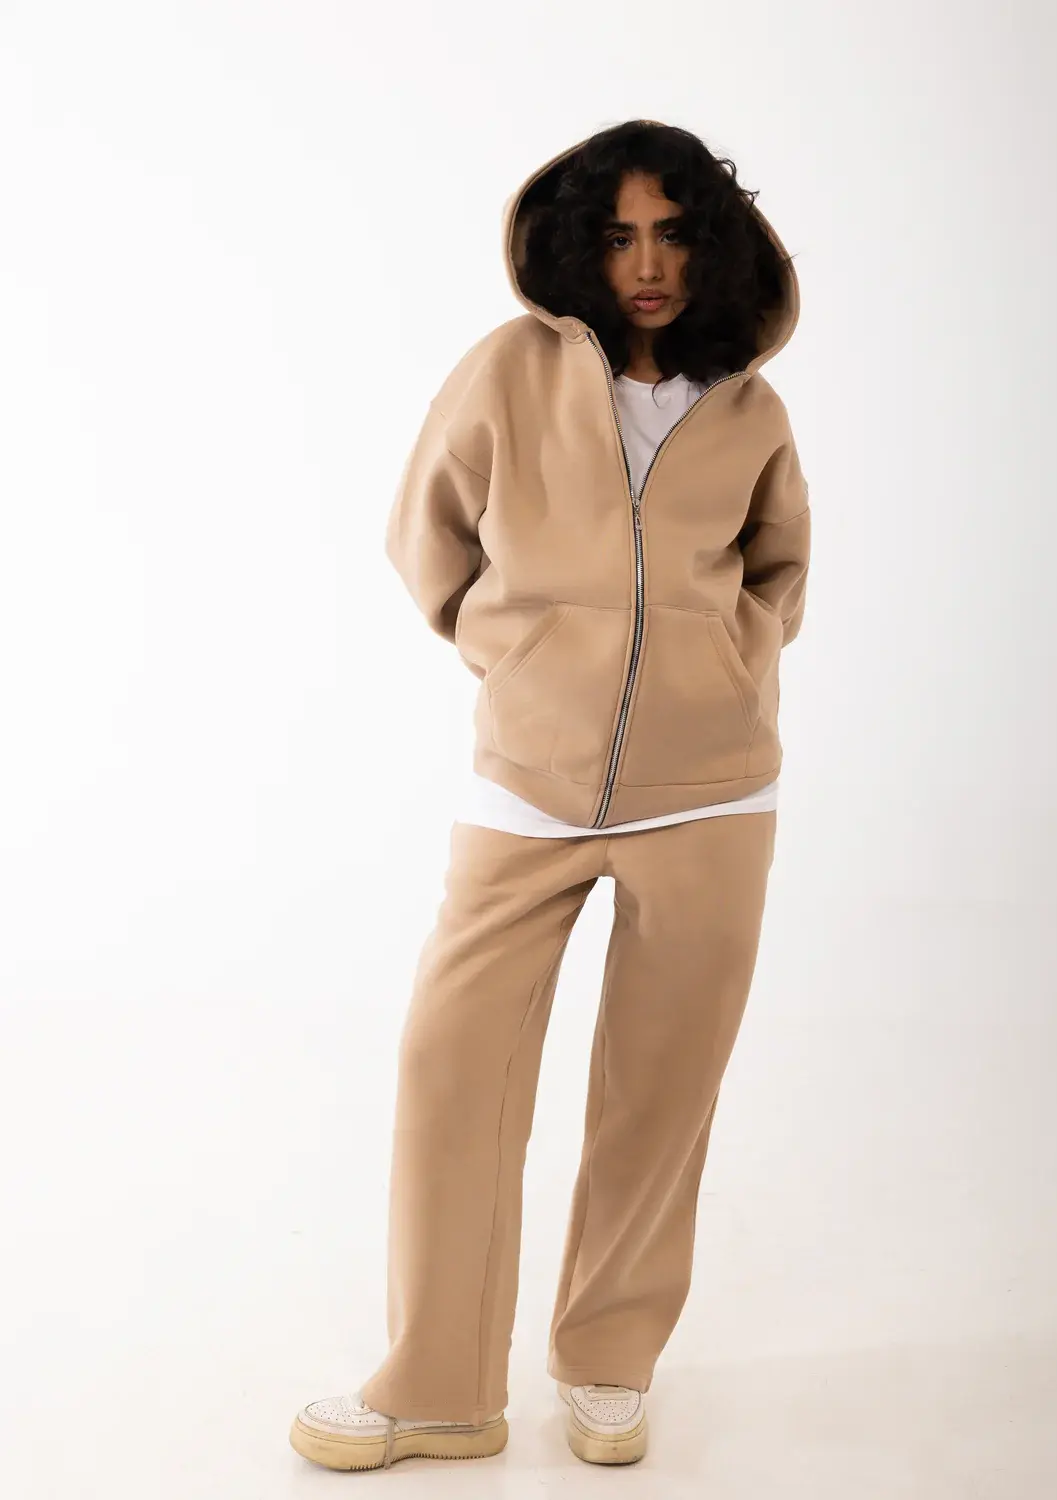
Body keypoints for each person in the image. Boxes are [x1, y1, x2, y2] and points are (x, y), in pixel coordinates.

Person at [289, 117, 811, 1473]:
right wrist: (514, 656)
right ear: (581, 245)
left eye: (674, 234)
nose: (648, 265)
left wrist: (730, 662)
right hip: (529, 783)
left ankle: (609, 1359)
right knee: (451, 1066)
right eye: (620, 235)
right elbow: (427, 531)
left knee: (659, 1091)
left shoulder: (748, 408)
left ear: (713, 244)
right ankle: (438, 1386)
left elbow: (777, 569)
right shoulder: (507, 373)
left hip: (712, 794)